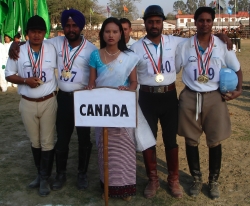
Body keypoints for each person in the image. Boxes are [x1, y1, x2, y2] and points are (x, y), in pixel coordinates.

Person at [130, 5, 232, 199]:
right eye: (150, 21)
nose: (154, 25)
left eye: (158, 22)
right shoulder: (135, 48)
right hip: (146, 97)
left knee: (171, 139)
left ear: (162, 24)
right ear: (145, 23)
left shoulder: (176, 42)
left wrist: (220, 35)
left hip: (169, 97)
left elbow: (202, 36)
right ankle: (152, 179)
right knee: (148, 139)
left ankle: (173, 179)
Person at [8, 9, 97, 191]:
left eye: (74, 26)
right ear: (63, 27)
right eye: (67, 26)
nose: (71, 29)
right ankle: (61, 174)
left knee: (83, 139)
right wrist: (16, 44)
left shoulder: (91, 49)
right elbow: (36, 41)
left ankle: (82, 174)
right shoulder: (56, 43)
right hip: (63, 98)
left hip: (82, 99)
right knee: (62, 138)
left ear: (81, 27)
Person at [175, 7, 242, 200]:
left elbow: (237, 69)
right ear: (195, 22)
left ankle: (213, 181)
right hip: (190, 96)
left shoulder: (222, 45)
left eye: (208, 20)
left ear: (212, 22)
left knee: (214, 140)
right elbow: (176, 67)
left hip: (214, 96)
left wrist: (238, 91)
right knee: (190, 139)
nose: (205, 24)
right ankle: (196, 179)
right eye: (201, 20)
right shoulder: (184, 45)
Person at [5, 15, 58, 197]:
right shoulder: (18, 51)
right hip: (27, 102)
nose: (36, 35)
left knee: (47, 141)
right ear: (27, 33)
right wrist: (25, 80)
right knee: (35, 141)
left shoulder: (51, 48)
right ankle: (39, 174)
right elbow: (9, 75)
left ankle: (45, 178)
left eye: (40, 31)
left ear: (45, 33)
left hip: (48, 101)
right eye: (33, 31)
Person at [87, 17, 139, 201]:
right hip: (102, 110)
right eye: (107, 31)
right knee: (105, 150)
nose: (111, 35)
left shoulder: (129, 57)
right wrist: (90, 89)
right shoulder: (95, 55)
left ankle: (125, 189)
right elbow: (92, 82)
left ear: (121, 34)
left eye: (115, 31)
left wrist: (127, 91)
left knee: (124, 150)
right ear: (102, 34)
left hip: (122, 109)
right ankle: (107, 188)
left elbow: (134, 82)